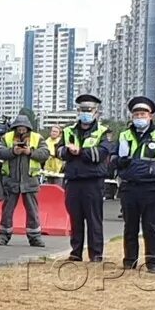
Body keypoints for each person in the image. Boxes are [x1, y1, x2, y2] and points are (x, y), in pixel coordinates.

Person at [113, 96, 155, 272]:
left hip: (151, 187)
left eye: (143, 113)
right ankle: (129, 261)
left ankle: (153, 263)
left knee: (151, 227)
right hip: (129, 186)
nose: (140, 117)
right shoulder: (124, 135)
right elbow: (112, 158)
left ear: (151, 115)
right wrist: (120, 161)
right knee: (130, 227)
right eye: (136, 114)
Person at [59, 95, 113, 262]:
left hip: (93, 181)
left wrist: (80, 152)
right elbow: (59, 151)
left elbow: (102, 153)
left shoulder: (103, 131)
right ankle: (76, 252)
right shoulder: (69, 130)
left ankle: (96, 254)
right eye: (82, 110)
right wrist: (69, 152)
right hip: (73, 180)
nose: (85, 114)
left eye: (89, 111)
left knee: (94, 219)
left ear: (96, 112)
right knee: (75, 219)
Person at [0, 112, 46, 247]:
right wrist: (13, 152)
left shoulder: (37, 138)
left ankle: (35, 237)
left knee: (32, 211)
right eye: (19, 127)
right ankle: (3, 235)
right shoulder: (7, 137)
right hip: (11, 181)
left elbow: (45, 153)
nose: (21, 130)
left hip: (30, 181)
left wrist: (31, 152)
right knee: (7, 211)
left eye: (23, 128)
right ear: (15, 127)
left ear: (28, 127)